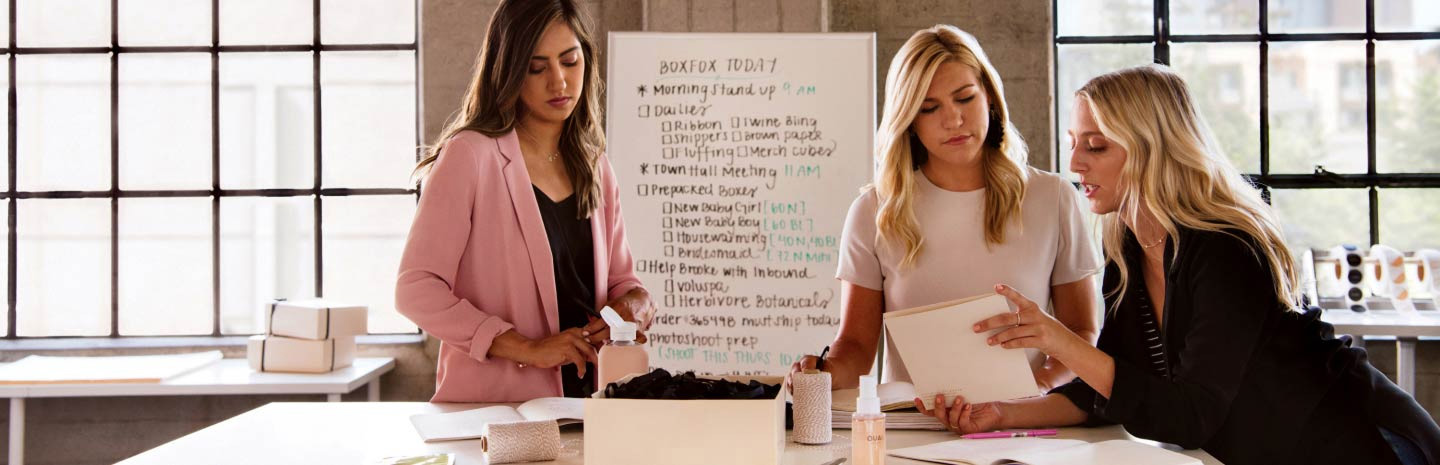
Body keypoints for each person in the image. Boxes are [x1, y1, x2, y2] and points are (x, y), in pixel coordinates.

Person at [927, 64, 1440, 465]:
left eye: (1097, 146)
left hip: (1360, 448)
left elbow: (1192, 415)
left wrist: (1058, 340)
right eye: (1074, 145)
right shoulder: (1127, 246)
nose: (1076, 163)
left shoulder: (1227, 247)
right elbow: (1104, 388)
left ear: (1153, 150)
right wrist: (998, 416)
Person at [791, 24, 1101, 392]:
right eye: (929, 107)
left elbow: (1081, 330)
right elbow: (856, 347)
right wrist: (822, 374)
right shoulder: (874, 211)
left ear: (988, 95)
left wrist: (1038, 387)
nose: (953, 119)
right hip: (914, 430)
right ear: (909, 121)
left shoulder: (1053, 197)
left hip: (1026, 430)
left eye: (965, 98)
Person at [395, 0, 656, 403]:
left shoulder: (595, 165)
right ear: (511, 72)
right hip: (497, 415)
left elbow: (623, 283)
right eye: (537, 68)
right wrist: (525, 348)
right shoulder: (470, 155)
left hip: (592, 410)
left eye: (570, 61)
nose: (560, 82)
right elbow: (415, 289)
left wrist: (636, 306)